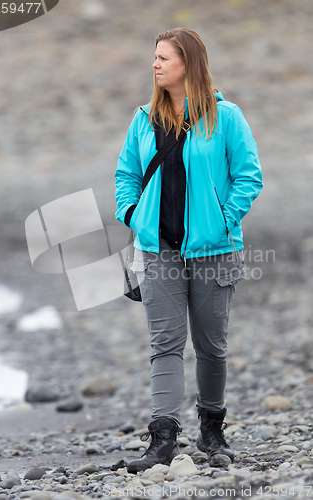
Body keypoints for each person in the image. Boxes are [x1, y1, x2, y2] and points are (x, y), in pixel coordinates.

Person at [115, 28, 263, 473]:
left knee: (211, 346)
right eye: (155, 57)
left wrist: (222, 219)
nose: (155, 65)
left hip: (214, 249)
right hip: (158, 248)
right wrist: (131, 214)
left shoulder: (226, 116)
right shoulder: (144, 118)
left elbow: (249, 176)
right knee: (165, 343)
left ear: (189, 64)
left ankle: (212, 430)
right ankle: (163, 439)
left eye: (164, 58)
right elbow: (126, 174)